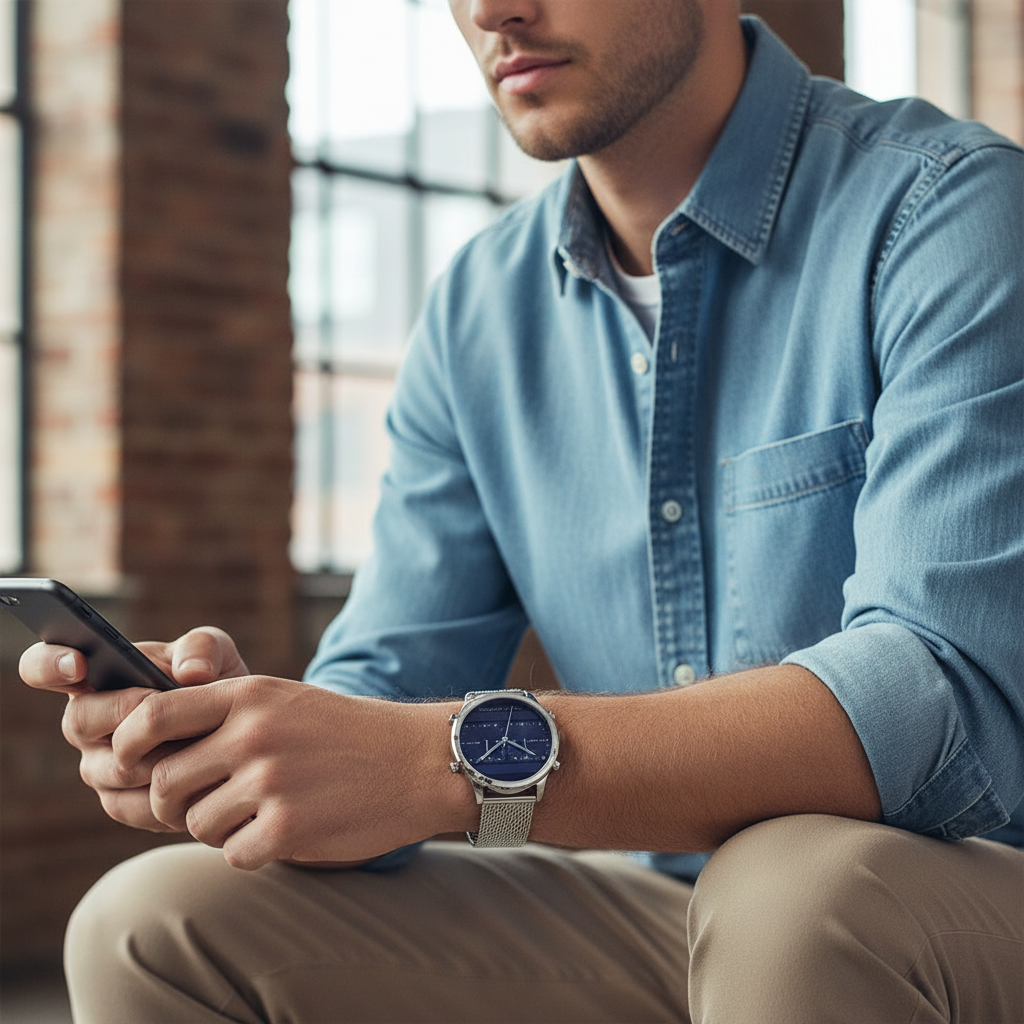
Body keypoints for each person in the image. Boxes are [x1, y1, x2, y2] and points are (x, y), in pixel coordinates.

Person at [21, 1, 1024, 1021]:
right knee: (151, 923)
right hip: (670, 907)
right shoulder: (480, 307)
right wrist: (255, 744)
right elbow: (386, 692)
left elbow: (940, 701)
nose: (490, 9)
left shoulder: (950, 211)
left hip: (953, 894)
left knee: (791, 897)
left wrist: (446, 761)